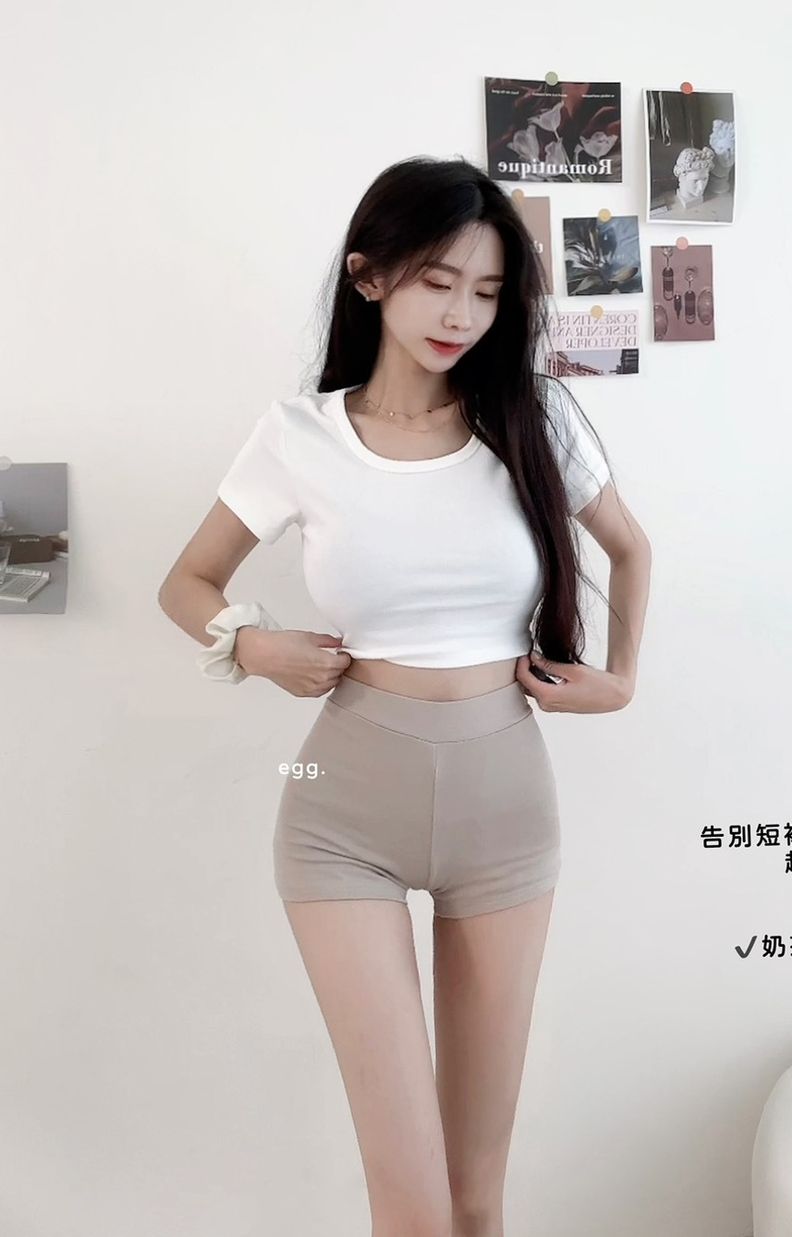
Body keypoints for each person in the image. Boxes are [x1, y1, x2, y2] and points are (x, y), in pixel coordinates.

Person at [157, 155, 652, 1237]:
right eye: (437, 282)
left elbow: (629, 544)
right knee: (413, 1205)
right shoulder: (299, 435)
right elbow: (185, 583)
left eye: (486, 292)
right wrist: (255, 647)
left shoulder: (534, 418)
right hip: (341, 812)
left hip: (507, 810)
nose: (461, 315)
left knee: (476, 1199)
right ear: (370, 275)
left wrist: (619, 682)